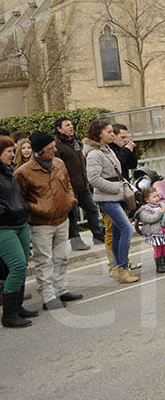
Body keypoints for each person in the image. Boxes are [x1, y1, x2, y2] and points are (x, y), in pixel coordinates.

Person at [14, 131, 83, 308]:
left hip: (62, 217)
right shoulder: (23, 172)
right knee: (44, 260)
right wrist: (37, 209)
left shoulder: (59, 163)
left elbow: (67, 184)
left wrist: (70, 200)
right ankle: (48, 296)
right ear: (40, 151)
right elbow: (20, 198)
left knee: (61, 257)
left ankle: (61, 289)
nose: (54, 150)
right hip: (40, 223)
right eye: (50, 148)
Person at [84, 121, 139, 284]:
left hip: (117, 196)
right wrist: (116, 188)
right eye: (109, 132)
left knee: (117, 233)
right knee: (126, 230)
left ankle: (118, 267)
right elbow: (93, 178)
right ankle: (122, 268)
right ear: (99, 134)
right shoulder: (94, 153)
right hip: (108, 198)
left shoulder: (106, 149)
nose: (112, 134)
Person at [0, 136, 39, 327]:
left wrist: (23, 209)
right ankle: (8, 315)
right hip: (4, 227)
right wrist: (5, 211)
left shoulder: (9, 172)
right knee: (16, 265)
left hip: (20, 224)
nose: (12, 154)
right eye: (8, 151)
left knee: (22, 264)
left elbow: (16, 196)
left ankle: (17, 306)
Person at [54, 117, 105, 250]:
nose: (71, 127)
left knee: (92, 208)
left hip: (82, 185)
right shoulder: (58, 145)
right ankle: (75, 241)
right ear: (59, 129)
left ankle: (98, 235)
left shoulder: (75, 142)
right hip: (68, 187)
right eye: (67, 125)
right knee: (72, 215)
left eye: (71, 124)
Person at [135, 186, 165, 273]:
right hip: (154, 232)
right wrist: (161, 213)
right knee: (158, 248)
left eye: (157, 196)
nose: (157, 198)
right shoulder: (144, 210)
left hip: (164, 230)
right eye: (154, 197)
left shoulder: (161, 205)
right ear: (147, 200)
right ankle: (159, 265)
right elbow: (151, 219)